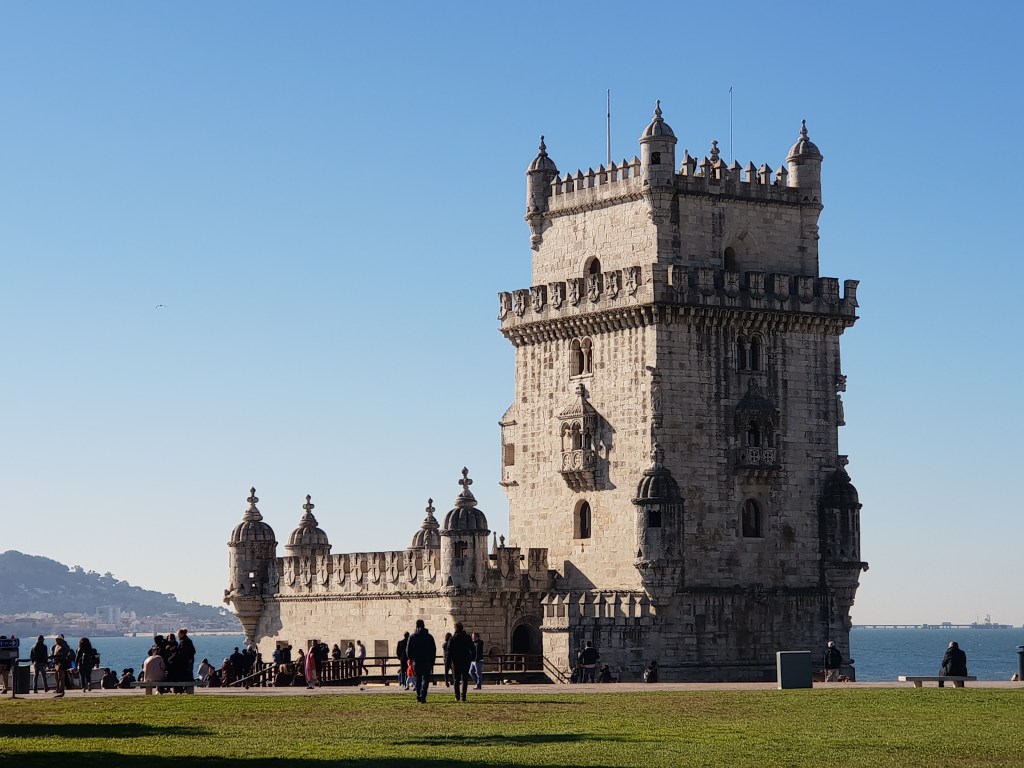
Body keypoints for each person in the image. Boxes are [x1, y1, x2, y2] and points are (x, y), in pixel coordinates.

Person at [405, 618, 437, 703]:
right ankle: (423, 695)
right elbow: (433, 650)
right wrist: (432, 660)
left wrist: (411, 659)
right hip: (427, 661)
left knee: (418, 678)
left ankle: (419, 695)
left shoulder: (412, 637)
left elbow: (408, 650)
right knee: (425, 679)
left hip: (416, 661)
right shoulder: (429, 637)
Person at [447, 622, 475, 702]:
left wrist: (448, 662)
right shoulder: (467, 637)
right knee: (465, 679)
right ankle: (463, 697)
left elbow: (449, 651)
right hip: (465, 660)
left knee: (456, 679)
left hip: (456, 661)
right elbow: (472, 648)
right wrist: (472, 658)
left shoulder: (452, 638)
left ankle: (457, 696)